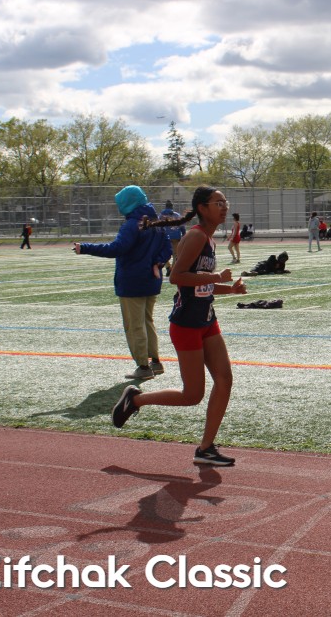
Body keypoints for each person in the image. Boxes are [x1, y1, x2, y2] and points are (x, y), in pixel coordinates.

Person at [110, 186, 247, 467]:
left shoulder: (208, 239)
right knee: (192, 395)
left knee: (224, 380)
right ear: (202, 208)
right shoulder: (196, 236)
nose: (224, 206)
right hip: (187, 324)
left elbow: (200, 285)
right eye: (218, 202)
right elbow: (178, 278)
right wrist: (216, 276)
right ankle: (135, 400)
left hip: (206, 319)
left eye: (225, 202)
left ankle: (206, 449)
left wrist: (229, 289)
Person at [74, 185, 173, 380]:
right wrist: (158, 263)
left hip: (132, 281)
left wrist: (85, 248)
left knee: (135, 325)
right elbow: (167, 248)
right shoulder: (156, 223)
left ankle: (143, 366)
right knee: (147, 321)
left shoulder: (132, 224)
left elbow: (117, 248)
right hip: (151, 280)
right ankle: (155, 362)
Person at [159, 200, 186, 274]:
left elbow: (158, 226)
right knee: (175, 254)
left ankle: (168, 267)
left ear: (165, 207)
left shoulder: (161, 216)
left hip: (165, 237)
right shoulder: (177, 215)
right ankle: (173, 269)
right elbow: (182, 226)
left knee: (163, 253)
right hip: (176, 237)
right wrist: (184, 235)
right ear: (172, 207)